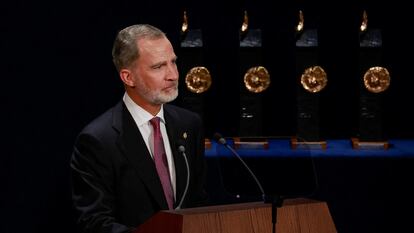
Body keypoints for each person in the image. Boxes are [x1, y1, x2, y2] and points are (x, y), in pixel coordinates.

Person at [70, 24, 208, 233]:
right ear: (128, 77)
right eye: (158, 67)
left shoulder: (189, 124)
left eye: (173, 62)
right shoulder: (98, 140)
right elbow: (95, 223)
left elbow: (199, 202)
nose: (172, 75)